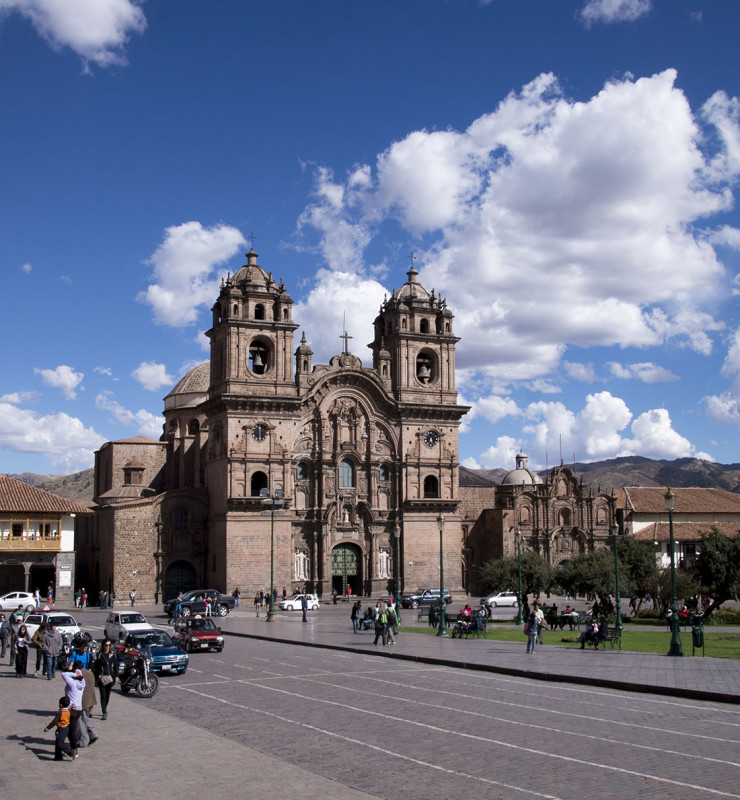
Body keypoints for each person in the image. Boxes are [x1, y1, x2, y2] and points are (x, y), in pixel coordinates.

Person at [61, 662, 85, 752]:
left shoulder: (73, 683)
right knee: (72, 728)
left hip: (71, 709)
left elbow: (63, 674)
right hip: (79, 708)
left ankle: (74, 749)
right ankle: (73, 747)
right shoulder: (82, 683)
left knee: (69, 729)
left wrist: (74, 674)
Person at [44, 696, 76, 760]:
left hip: (61, 728)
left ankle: (71, 752)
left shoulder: (60, 712)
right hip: (66, 727)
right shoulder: (69, 711)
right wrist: (73, 709)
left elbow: (55, 721)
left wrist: (48, 728)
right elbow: (74, 715)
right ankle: (58, 756)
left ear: (61, 705)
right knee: (57, 742)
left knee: (59, 744)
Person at [94, 639, 117, 720]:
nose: (107, 647)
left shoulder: (112, 655)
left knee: (107, 695)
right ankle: (104, 711)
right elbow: (96, 667)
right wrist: (97, 677)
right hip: (102, 677)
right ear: (103, 645)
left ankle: (105, 708)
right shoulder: (99, 655)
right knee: (103, 695)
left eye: (109, 645)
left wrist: (116, 676)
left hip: (110, 677)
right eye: (106, 645)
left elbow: (115, 666)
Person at [78, 664, 98, 747]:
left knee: (81, 721)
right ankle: (93, 734)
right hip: (91, 699)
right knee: (85, 719)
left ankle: (83, 741)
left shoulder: (79, 676)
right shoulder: (90, 673)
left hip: (84, 701)